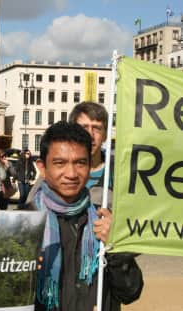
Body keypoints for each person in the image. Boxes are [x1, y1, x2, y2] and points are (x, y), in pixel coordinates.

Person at [31, 121, 143, 311]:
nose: (71, 173)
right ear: (42, 167)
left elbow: (131, 292)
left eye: (80, 163)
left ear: (90, 166)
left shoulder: (104, 220)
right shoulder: (23, 223)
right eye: (60, 163)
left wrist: (117, 250)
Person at [69, 101, 112, 207]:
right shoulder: (54, 171)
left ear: (105, 135)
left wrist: (115, 223)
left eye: (97, 128)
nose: (90, 135)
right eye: (84, 127)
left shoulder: (118, 174)